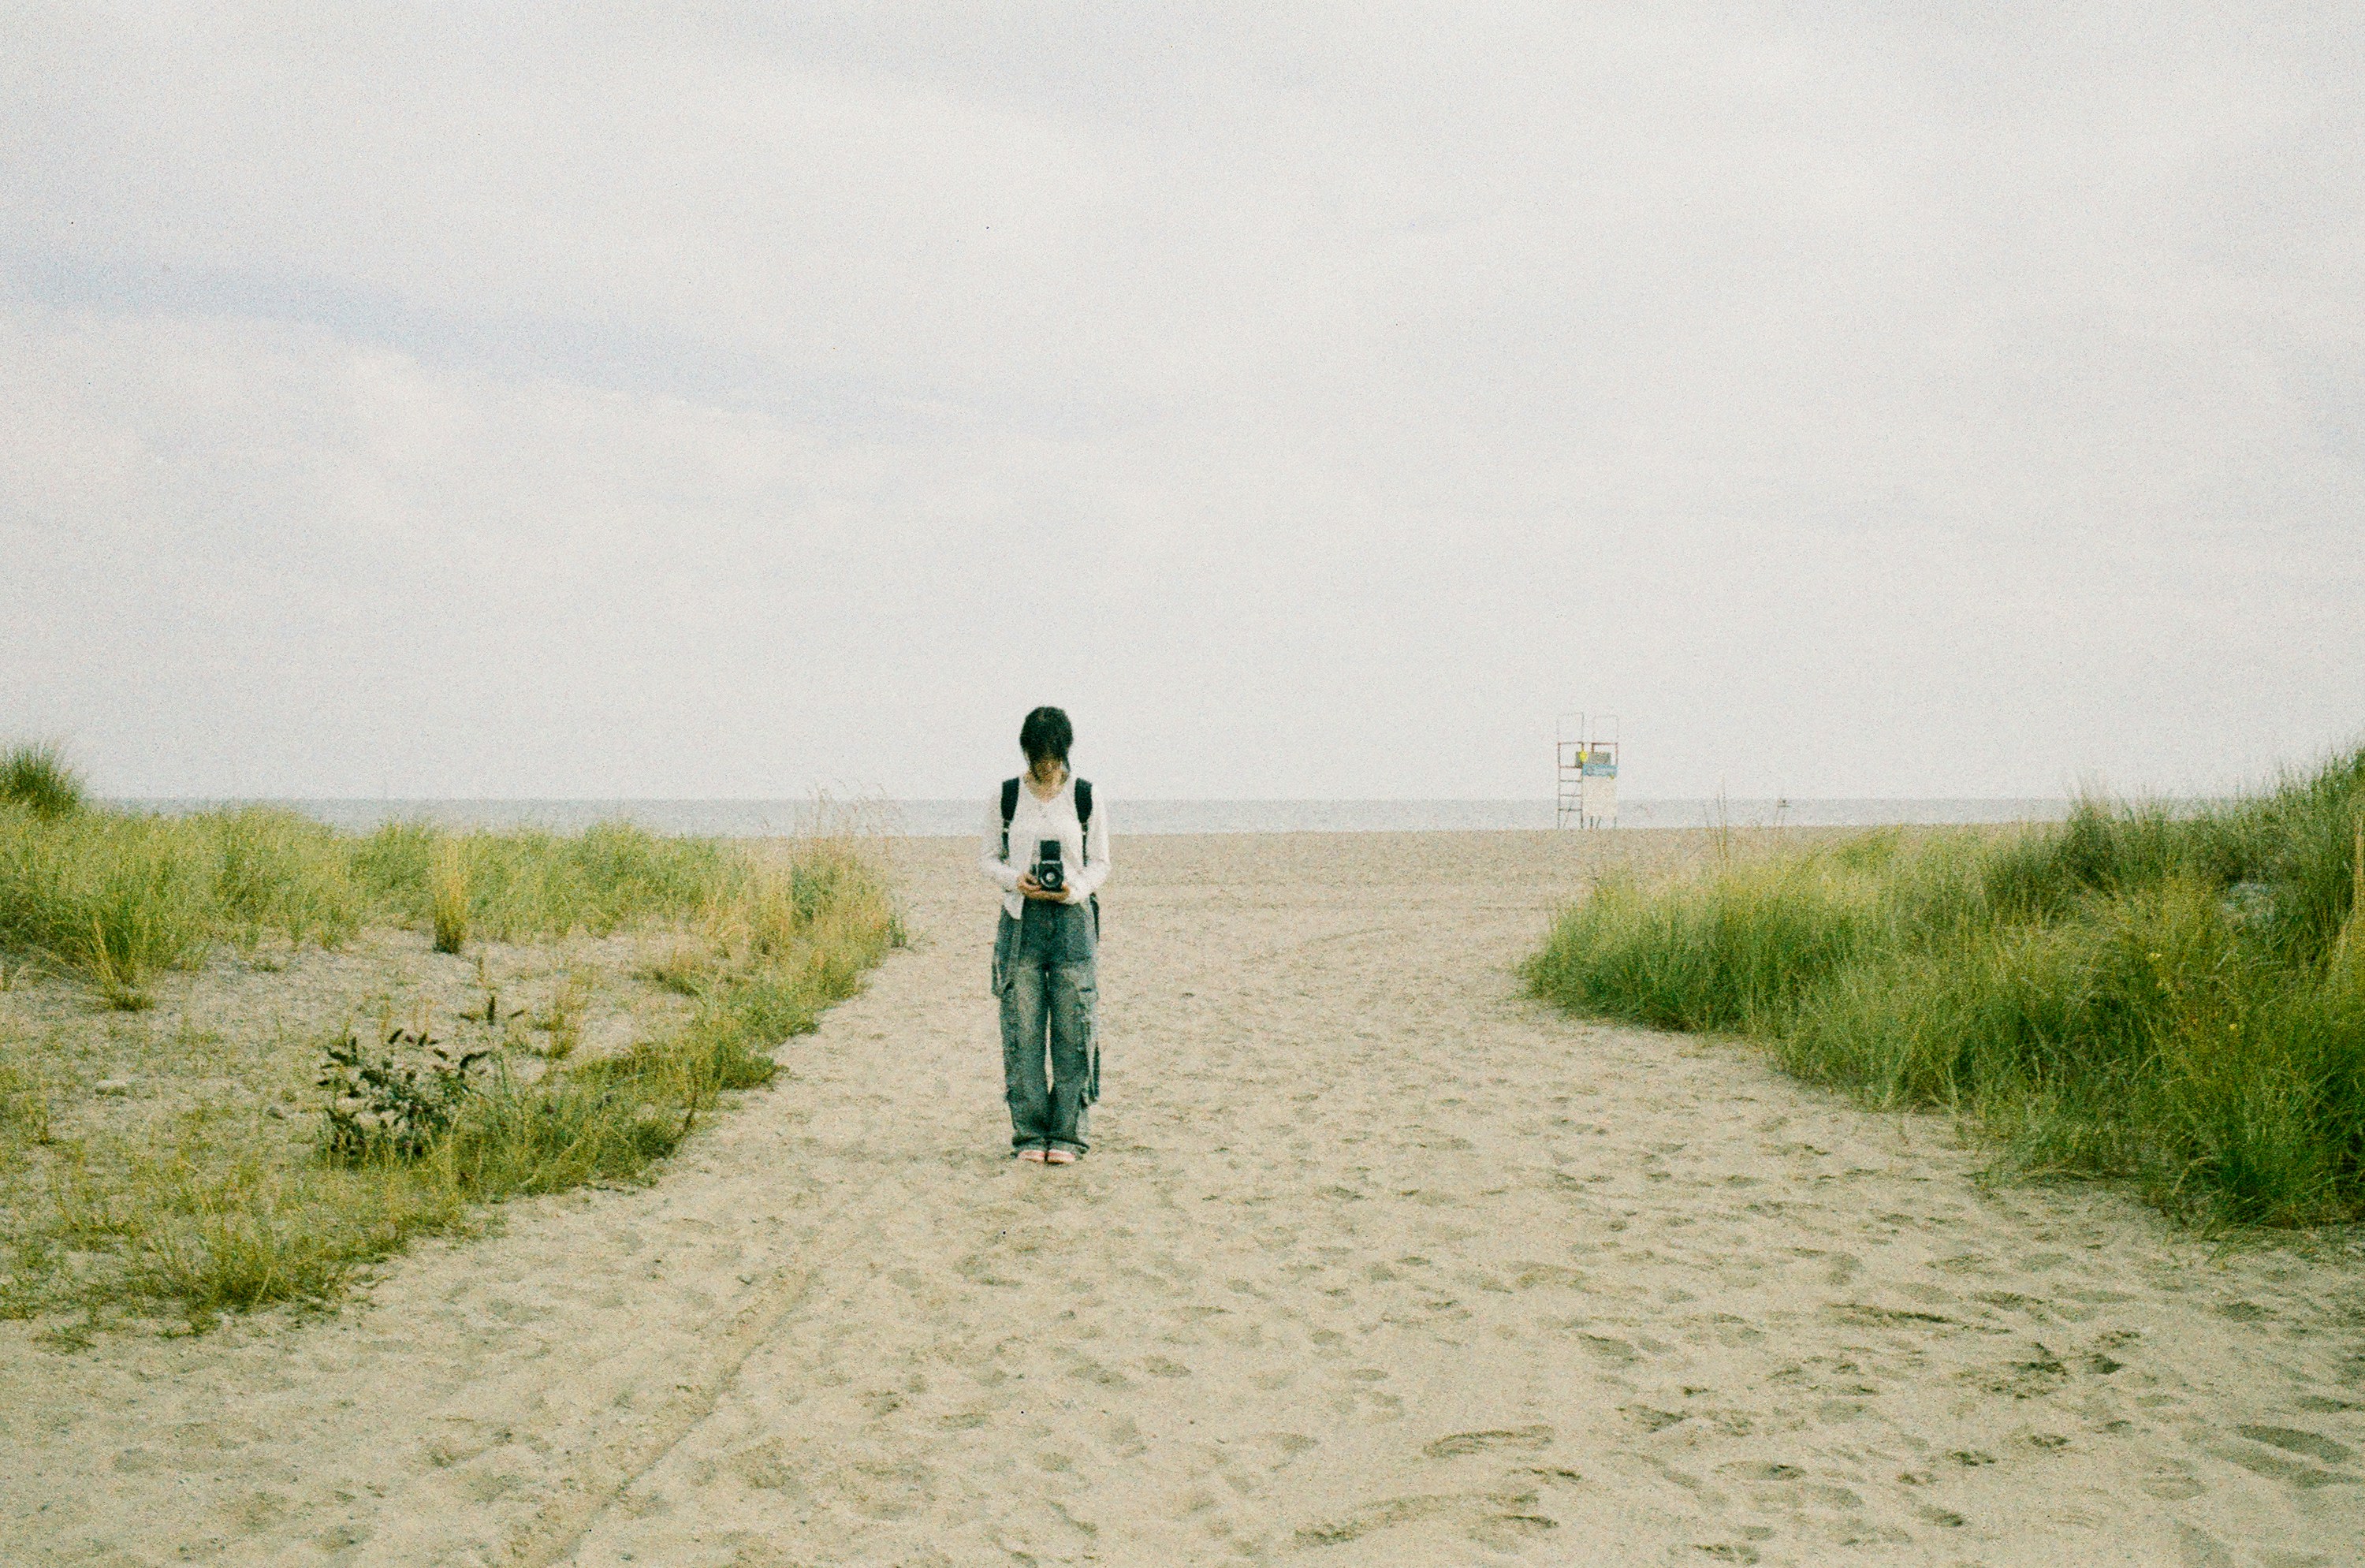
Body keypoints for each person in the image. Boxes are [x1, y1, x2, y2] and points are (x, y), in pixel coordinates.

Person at [981, 706, 1110, 1164]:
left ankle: (1069, 1136)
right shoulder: (1008, 795)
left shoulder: (1085, 796)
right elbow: (987, 858)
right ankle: (1030, 1135)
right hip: (1021, 924)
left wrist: (1073, 887)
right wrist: (1016, 878)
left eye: (1054, 755)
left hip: (1074, 923)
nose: (1047, 764)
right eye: (1039, 755)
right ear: (1028, 751)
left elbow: (1100, 863)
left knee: (1075, 1029)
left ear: (1065, 750)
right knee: (1023, 1030)